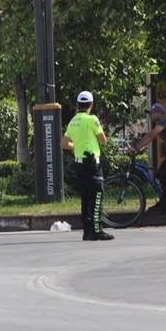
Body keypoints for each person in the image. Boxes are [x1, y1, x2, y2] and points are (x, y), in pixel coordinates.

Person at [60, 90, 113, 241]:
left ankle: (87, 231)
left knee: (85, 197)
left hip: (79, 164)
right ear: (91, 105)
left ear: (77, 105)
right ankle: (97, 230)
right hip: (92, 164)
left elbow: (63, 144)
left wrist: (76, 146)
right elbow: (103, 140)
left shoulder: (74, 121)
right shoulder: (92, 119)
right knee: (96, 196)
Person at [127, 103, 166, 214]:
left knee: (164, 177)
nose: (150, 115)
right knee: (160, 175)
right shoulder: (160, 123)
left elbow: (151, 136)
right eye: (149, 113)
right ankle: (164, 201)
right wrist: (136, 144)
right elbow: (147, 136)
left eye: (152, 112)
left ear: (160, 113)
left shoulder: (165, 121)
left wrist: (135, 147)